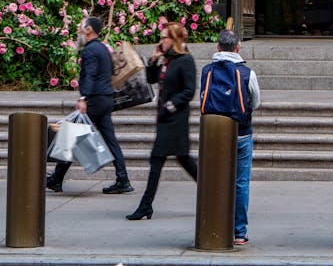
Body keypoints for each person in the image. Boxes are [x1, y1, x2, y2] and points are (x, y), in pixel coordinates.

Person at [47, 15, 133, 195]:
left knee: (70, 136)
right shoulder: (103, 49)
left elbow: (90, 75)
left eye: (81, 27)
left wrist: (83, 98)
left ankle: (56, 179)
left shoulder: (90, 51)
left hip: (94, 100)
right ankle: (123, 179)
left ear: (89, 30)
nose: (78, 30)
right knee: (110, 140)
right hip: (106, 99)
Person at [126, 22, 197, 220]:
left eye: (164, 38)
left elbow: (189, 91)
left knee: (159, 160)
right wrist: (154, 59)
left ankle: (145, 206)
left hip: (176, 120)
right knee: (182, 159)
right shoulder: (167, 60)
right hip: (165, 119)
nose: (161, 41)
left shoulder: (185, 60)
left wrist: (171, 105)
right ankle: (211, 192)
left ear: (174, 40)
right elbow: (151, 79)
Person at [200, 28, 261, 247]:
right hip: (241, 132)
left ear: (218, 47)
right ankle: (239, 232)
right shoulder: (247, 73)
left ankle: (213, 226)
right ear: (238, 48)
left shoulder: (207, 71)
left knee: (214, 180)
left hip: (214, 136)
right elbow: (256, 102)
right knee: (241, 182)